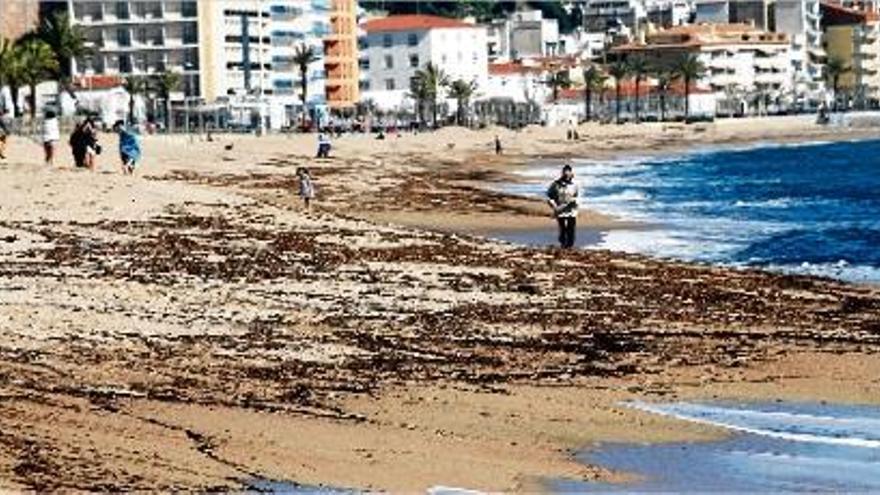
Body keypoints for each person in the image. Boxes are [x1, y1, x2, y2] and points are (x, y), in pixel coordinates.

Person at [546, 164, 579, 249]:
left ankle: (570, 246)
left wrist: (573, 201)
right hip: (560, 210)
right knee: (563, 228)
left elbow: (576, 196)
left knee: (571, 228)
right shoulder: (556, 184)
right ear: (562, 173)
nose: (567, 175)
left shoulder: (575, 184)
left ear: (571, 173)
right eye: (565, 173)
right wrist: (554, 206)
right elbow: (549, 196)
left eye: (569, 173)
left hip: (571, 210)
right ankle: (563, 244)